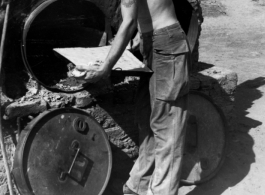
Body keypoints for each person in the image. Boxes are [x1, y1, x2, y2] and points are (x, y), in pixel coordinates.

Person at [76, 0, 191, 194]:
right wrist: (139, 40)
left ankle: (162, 191)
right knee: (146, 118)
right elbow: (144, 16)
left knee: (167, 125)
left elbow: (129, 22)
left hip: (168, 43)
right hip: (152, 40)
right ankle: (139, 184)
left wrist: (105, 68)